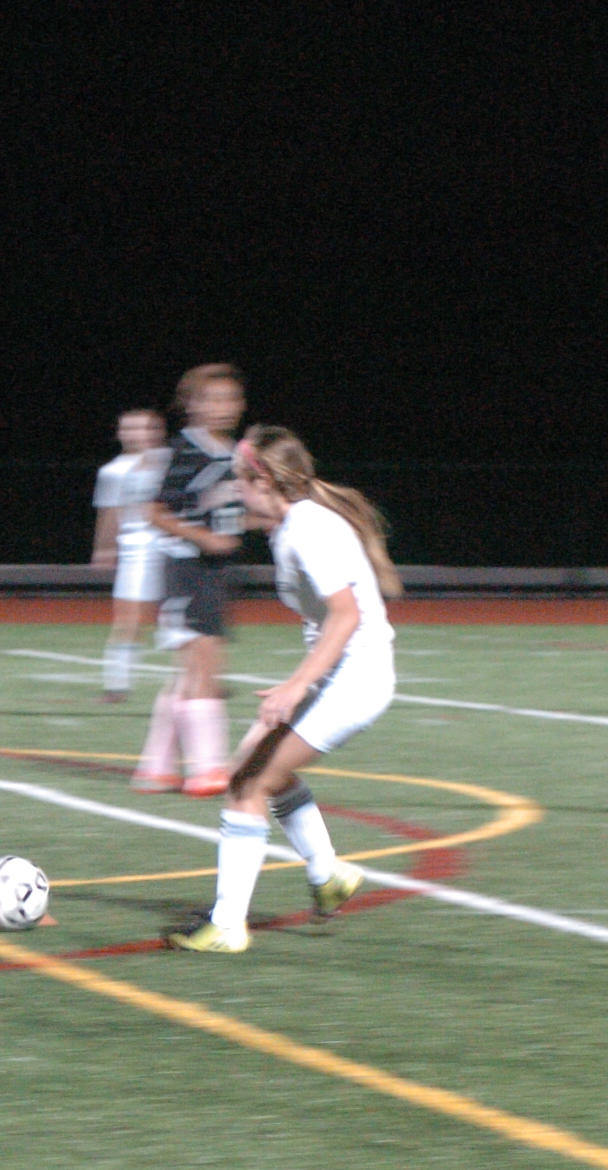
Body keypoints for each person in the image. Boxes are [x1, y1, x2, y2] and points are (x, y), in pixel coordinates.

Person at [169, 427, 400, 954]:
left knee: (247, 784)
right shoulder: (295, 522)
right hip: (342, 674)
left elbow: (346, 616)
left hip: (356, 679)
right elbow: (253, 517)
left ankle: (228, 925)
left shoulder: (308, 530)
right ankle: (328, 875)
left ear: (266, 481)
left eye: (240, 479)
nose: (236, 488)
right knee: (257, 764)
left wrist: (296, 687)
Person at [133, 364, 248, 796]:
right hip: (185, 568)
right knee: (204, 665)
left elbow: (229, 514)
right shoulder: (183, 451)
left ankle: (156, 768)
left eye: (230, 398)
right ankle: (208, 768)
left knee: (191, 670)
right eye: (212, 399)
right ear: (192, 406)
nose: (223, 407)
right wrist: (203, 538)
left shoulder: (236, 454)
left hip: (215, 572)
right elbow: (155, 511)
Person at [90, 407, 173, 701]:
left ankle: (199, 677)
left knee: (183, 616)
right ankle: (117, 684)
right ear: (120, 434)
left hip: (175, 544)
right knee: (129, 619)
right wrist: (104, 548)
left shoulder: (172, 460)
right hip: (136, 547)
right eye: (132, 428)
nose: (140, 434)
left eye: (148, 428)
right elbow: (109, 513)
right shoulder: (114, 471)